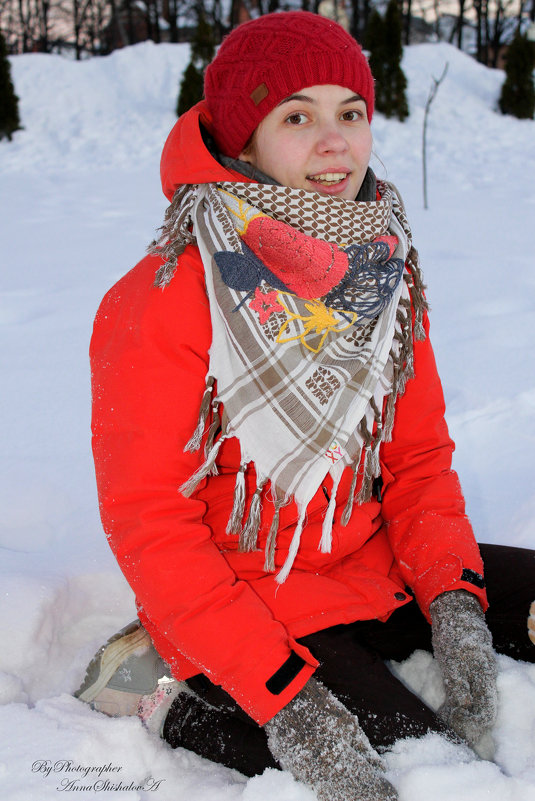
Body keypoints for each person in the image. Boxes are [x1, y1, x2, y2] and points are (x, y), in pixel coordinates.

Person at [76, 11, 535, 801]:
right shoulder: (161, 297)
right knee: (421, 774)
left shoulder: (383, 274)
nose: (336, 143)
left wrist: (455, 604)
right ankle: (181, 696)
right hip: (252, 600)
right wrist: (285, 698)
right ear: (241, 140)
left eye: (349, 113)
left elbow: (417, 459)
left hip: (374, 569)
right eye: (297, 116)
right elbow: (152, 522)